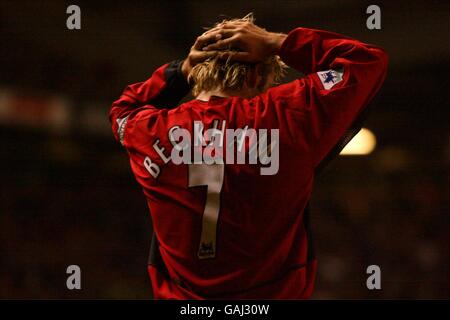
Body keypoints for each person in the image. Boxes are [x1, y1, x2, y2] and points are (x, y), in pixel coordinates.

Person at [109, 14, 388, 299]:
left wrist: (180, 71)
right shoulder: (287, 115)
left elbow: (122, 110)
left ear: (199, 71)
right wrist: (276, 42)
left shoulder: (150, 130)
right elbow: (366, 62)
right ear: (257, 76)